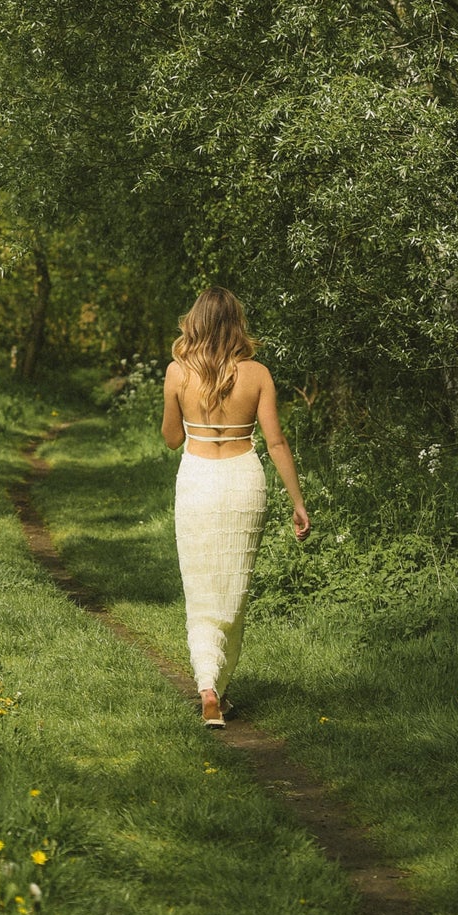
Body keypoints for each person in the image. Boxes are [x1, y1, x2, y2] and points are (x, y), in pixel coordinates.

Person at [162, 286, 310, 727]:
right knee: (234, 586)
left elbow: (172, 440)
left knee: (201, 586)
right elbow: (276, 442)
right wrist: (298, 503)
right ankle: (218, 689)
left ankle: (208, 688)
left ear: (196, 322)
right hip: (244, 481)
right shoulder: (258, 374)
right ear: (236, 324)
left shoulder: (177, 372)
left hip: (198, 482)